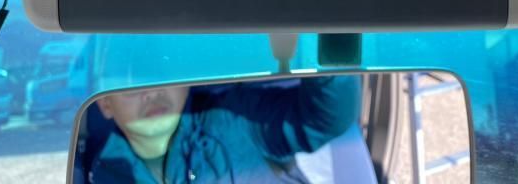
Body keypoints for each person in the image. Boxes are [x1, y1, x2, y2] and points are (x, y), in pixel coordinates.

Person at [90, 76, 361, 183]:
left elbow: (325, 118)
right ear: (105, 103)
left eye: (162, 73)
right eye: (129, 84)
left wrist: (325, 39)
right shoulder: (99, 175)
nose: (150, 92)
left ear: (185, 80)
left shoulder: (236, 117)